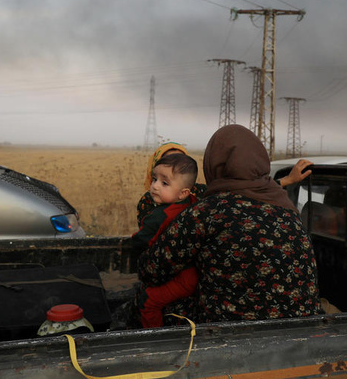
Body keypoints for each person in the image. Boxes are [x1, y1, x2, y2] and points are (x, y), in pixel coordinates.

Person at [139, 125, 321, 324]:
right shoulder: (289, 211)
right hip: (301, 329)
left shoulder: (207, 211)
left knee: (152, 302)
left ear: (214, 163)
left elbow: (152, 271)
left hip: (229, 335)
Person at [136, 142, 313, 228]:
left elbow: (243, 191)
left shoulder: (198, 192)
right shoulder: (147, 201)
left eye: (180, 163)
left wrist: (287, 181)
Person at [131, 153, 200, 328]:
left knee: (148, 301)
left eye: (164, 183)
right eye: (154, 179)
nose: (154, 186)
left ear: (183, 192)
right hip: (194, 272)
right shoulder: (195, 203)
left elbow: (139, 242)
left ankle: (156, 339)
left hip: (184, 278)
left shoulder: (159, 216)